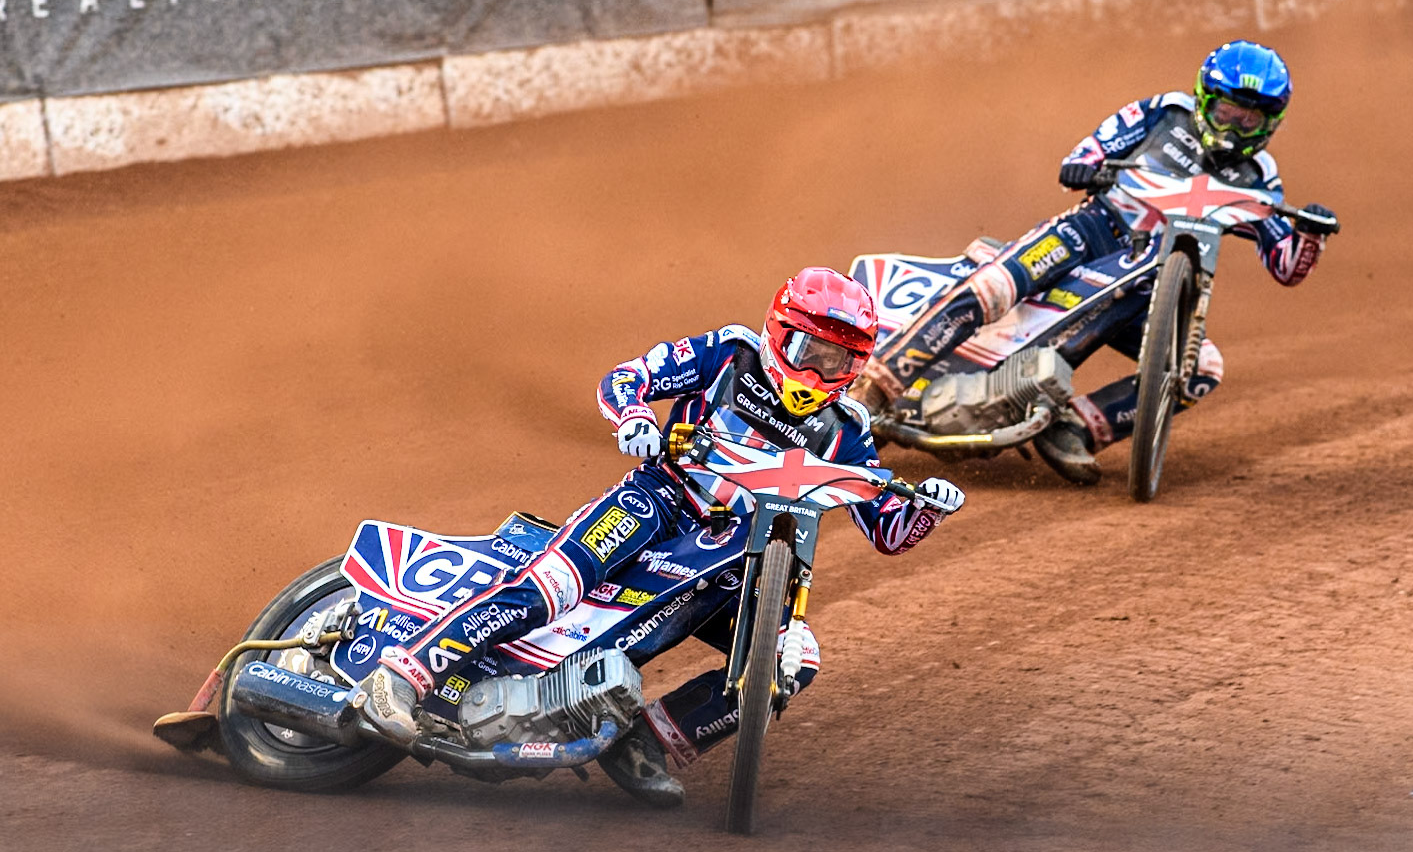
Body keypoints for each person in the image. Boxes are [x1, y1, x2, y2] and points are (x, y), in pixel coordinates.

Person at [356, 267, 965, 807]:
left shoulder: (848, 429)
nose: (819, 371)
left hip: (740, 557)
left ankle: (644, 745)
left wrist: (928, 508)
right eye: (810, 350)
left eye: (837, 362)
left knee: (793, 658)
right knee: (554, 584)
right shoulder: (729, 353)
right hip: (658, 500)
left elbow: (885, 526)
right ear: (780, 332)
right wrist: (637, 419)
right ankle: (402, 676)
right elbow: (626, 378)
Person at [852, 40, 1339, 485]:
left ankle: (1076, 429)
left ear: (1270, 124)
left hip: (1151, 283)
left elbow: (1285, 265)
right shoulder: (1162, 113)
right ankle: (875, 389)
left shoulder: (1260, 176)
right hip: (1090, 231)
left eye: (1249, 121)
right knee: (993, 287)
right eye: (1229, 112)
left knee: (1202, 367)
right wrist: (1086, 164)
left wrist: (1311, 235)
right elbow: (1088, 152)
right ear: (1205, 100)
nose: (1235, 129)